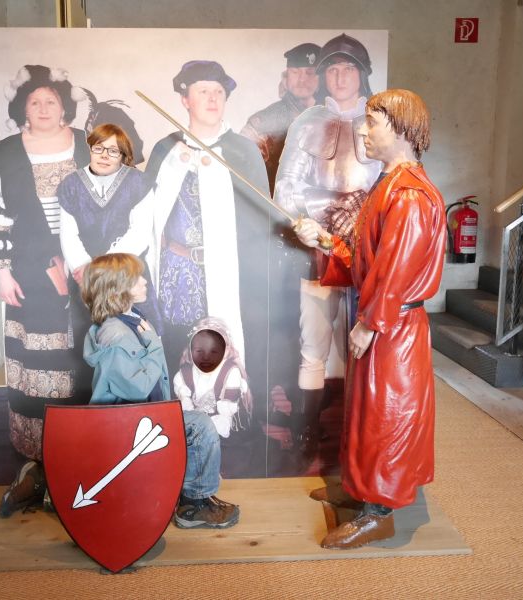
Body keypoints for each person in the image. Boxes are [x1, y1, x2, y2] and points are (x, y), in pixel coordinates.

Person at [294, 89, 446, 549]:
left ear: (401, 130)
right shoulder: (389, 185)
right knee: (367, 414)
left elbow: (396, 270)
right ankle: (362, 491)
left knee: (385, 417)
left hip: (392, 328)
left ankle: (378, 511)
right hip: (384, 322)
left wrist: (371, 322)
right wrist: (326, 242)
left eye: (372, 122)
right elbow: (370, 259)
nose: (361, 130)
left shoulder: (411, 196)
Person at [108, 60, 270, 415]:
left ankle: (221, 421)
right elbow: (143, 214)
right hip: (175, 269)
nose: (212, 99)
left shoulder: (243, 151)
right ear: (185, 100)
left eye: (218, 92)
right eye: (203, 92)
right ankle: (173, 419)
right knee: (177, 341)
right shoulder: (166, 150)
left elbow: (261, 222)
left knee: (219, 343)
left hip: (227, 272)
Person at [0, 64, 91, 517]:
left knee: (79, 353)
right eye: (34, 103)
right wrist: (3, 272)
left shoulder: (87, 144)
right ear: (22, 110)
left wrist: (81, 261)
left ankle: (80, 460)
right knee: (35, 357)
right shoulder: (3, 154)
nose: (44, 109)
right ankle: (37, 464)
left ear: (64, 106)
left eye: (51, 101)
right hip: (27, 269)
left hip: (84, 269)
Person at [273, 34, 382, 462]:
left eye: (348, 69)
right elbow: (287, 186)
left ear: (362, 74)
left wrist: (365, 229)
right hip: (317, 250)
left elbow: (388, 186)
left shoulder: (379, 120)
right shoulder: (308, 122)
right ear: (323, 77)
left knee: (363, 344)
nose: (340, 77)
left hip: (366, 254)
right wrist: (303, 226)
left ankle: (359, 434)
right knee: (314, 343)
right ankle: (308, 431)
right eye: (333, 70)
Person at [81, 253, 240, 528]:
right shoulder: (116, 335)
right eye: (136, 279)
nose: (145, 282)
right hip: (126, 424)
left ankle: (193, 496)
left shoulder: (130, 320)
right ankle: (193, 505)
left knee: (196, 423)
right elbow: (137, 387)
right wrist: (154, 344)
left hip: (139, 415)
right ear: (118, 289)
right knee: (200, 426)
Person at [57, 123, 161, 370]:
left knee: (138, 333)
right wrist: (87, 271)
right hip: (85, 277)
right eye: (99, 148)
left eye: (113, 151)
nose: (104, 156)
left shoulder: (139, 183)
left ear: (124, 154)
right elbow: (68, 235)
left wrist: (105, 269)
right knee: (90, 336)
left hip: (127, 272)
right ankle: (95, 401)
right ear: (90, 148)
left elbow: (140, 232)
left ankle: (138, 399)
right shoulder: (71, 185)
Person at [174, 317, 255, 477]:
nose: (206, 357)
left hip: (227, 438)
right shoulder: (184, 375)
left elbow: (224, 420)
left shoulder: (230, 373)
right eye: (199, 351)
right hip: (195, 431)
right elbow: (186, 412)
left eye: (213, 351)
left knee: (227, 464)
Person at [240, 42, 320, 195]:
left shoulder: (336, 118)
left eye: (310, 72)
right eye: (295, 72)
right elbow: (240, 172)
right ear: (286, 77)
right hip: (275, 211)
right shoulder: (263, 123)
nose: (302, 80)